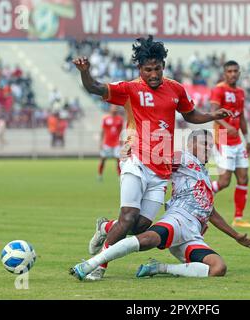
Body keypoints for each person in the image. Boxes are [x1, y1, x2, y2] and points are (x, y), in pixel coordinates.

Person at [73, 35, 233, 279]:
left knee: (140, 225)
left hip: (161, 170)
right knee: (127, 218)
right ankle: (98, 267)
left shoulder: (176, 89)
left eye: (157, 69)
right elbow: (95, 87)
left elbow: (190, 115)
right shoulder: (130, 89)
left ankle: (105, 227)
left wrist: (212, 116)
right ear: (140, 69)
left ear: (163, 67)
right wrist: (85, 72)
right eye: (148, 70)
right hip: (135, 160)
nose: (154, 74)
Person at [70, 129, 250, 280]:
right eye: (205, 144)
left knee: (218, 268)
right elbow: (156, 158)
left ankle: (159, 268)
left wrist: (236, 236)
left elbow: (210, 211)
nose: (209, 149)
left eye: (211, 145)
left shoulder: (203, 173)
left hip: (192, 233)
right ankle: (89, 265)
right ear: (190, 144)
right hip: (178, 219)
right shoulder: (184, 158)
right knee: (144, 239)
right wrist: (133, 150)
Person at [210, 61, 250, 228]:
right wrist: (227, 125)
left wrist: (248, 140)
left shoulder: (240, 92)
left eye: (235, 71)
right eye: (229, 71)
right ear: (224, 73)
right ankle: (198, 193)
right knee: (224, 182)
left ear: (239, 72)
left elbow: (241, 117)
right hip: (222, 138)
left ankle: (238, 218)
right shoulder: (219, 89)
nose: (233, 74)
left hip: (237, 141)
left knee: (244, 177)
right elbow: (213, 112)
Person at [98, 105, 124, 180]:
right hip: (107, 143)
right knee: (103, 159)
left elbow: (121, 131)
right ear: (110, 109)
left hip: (116, 143)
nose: (114, 109)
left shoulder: (120, 119)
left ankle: (119, 176)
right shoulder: (106, 119)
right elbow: (102, 131)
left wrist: (122, 141)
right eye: (113, 108)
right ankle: (100, 174)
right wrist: (101, 142)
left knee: (118, 160)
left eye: (116, 108)